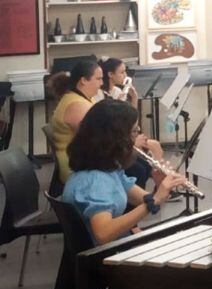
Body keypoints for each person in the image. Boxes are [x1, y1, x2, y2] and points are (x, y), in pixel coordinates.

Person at [62, 99, 185, 245]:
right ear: (115, 138)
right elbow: (103, 234)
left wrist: (160, 186)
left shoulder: (108, 168)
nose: (137, 136)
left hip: (118, 244)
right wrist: (155, 200)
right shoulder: (96, 181)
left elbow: (144, 200)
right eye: (134, 131)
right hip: (107, 255)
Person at [98, 58, 167, 189]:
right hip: (114, 139)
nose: (125, 76)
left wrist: (134, 98)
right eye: (122, 72)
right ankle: (157, 187)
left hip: (124, 135)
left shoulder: (118, 91)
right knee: (144, 162)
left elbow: (131, 119)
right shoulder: (100, 94)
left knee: (155, 145)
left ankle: (161, 184)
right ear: (110, 74)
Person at [49, 59, 103, 183]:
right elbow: (95, 139)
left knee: (136, 165)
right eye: (98, 79)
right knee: (135, 168)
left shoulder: (84, 99)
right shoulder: (76, 105)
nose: (102, 83)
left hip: (83, 158)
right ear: (83, 80)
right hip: (76, 166)